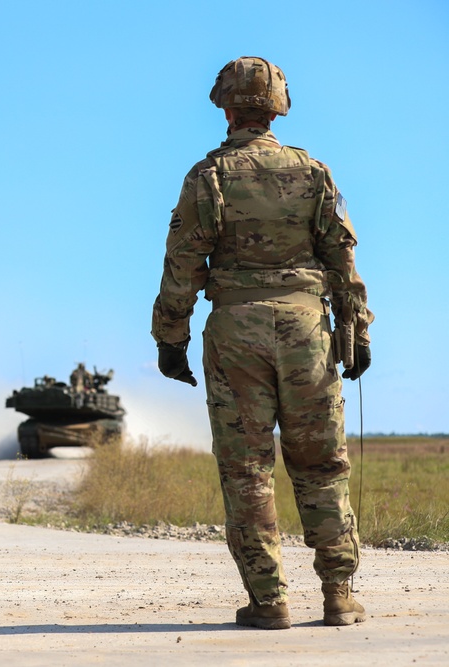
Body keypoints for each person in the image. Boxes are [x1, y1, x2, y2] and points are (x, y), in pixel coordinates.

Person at [151, 56, 374, 630]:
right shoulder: (313, 172)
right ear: (279, 105)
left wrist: (170, 339)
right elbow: (342, 258)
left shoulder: (209, 176)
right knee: (323, 464)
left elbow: (182, 264)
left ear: (224, 107)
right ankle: (339, 595)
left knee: (247, 469)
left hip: (235, 331)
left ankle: (269, 600)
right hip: (307, 330)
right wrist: (358, 327)